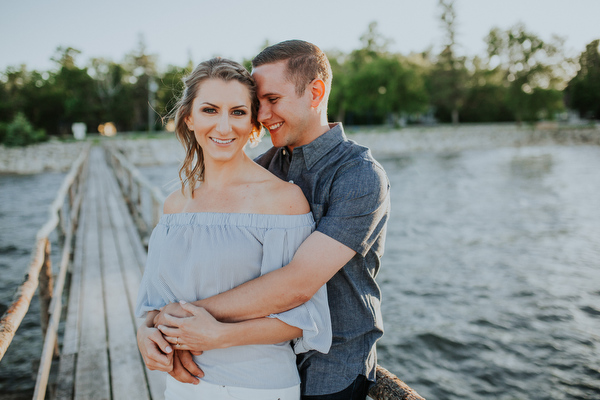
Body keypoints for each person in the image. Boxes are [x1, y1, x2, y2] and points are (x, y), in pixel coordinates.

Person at [140, 40, 391, 400]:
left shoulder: (359, 175)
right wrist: (156, 326)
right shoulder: (265, 167)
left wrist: (178, 321)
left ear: (315, 92)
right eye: (258, 104)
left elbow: (298, 283)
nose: (262, 114)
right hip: (254, 354)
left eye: (272, 100)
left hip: (331, 362)